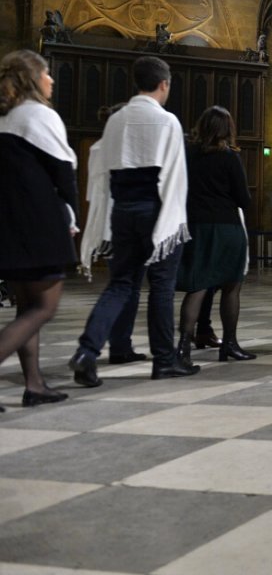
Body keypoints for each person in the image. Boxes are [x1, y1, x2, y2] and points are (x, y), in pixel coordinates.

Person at [70, 55, 195, 386]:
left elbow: (100, 168)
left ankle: (86, 351)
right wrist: (173, 222)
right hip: (157, 210)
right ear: (164, 84)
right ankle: (165, 361)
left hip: (122, 210)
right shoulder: (167, 122)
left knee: (121, 284)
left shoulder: (116, 121)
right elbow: (175, 177)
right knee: (162, 288)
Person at [0, 50, 76, 408]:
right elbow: (63, 173)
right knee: (44, 307)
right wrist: (72, 217)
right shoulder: (40, 115)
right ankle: (33, 383)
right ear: (34, 78)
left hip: (11, 224)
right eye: (47, 73)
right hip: (39, 222)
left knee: (26, 308)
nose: (52, 80)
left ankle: (35, 384)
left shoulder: (8, 118)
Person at [175, 106, 255, 365]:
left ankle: (183, 348)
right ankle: (229, 344)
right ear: (227, 129)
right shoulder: (229, 157)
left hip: (196, 226)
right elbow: (243, 198)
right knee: (231, 286)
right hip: (226, 226)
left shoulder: (187, 155)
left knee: (198, 285)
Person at [79, 102, 147, 364]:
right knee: (124, 287)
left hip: (106, 223)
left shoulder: (97, 148)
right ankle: (95, 347)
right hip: (123, 223)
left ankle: (120, 345)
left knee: (124, 287)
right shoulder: (122, 149)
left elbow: (91, 194)